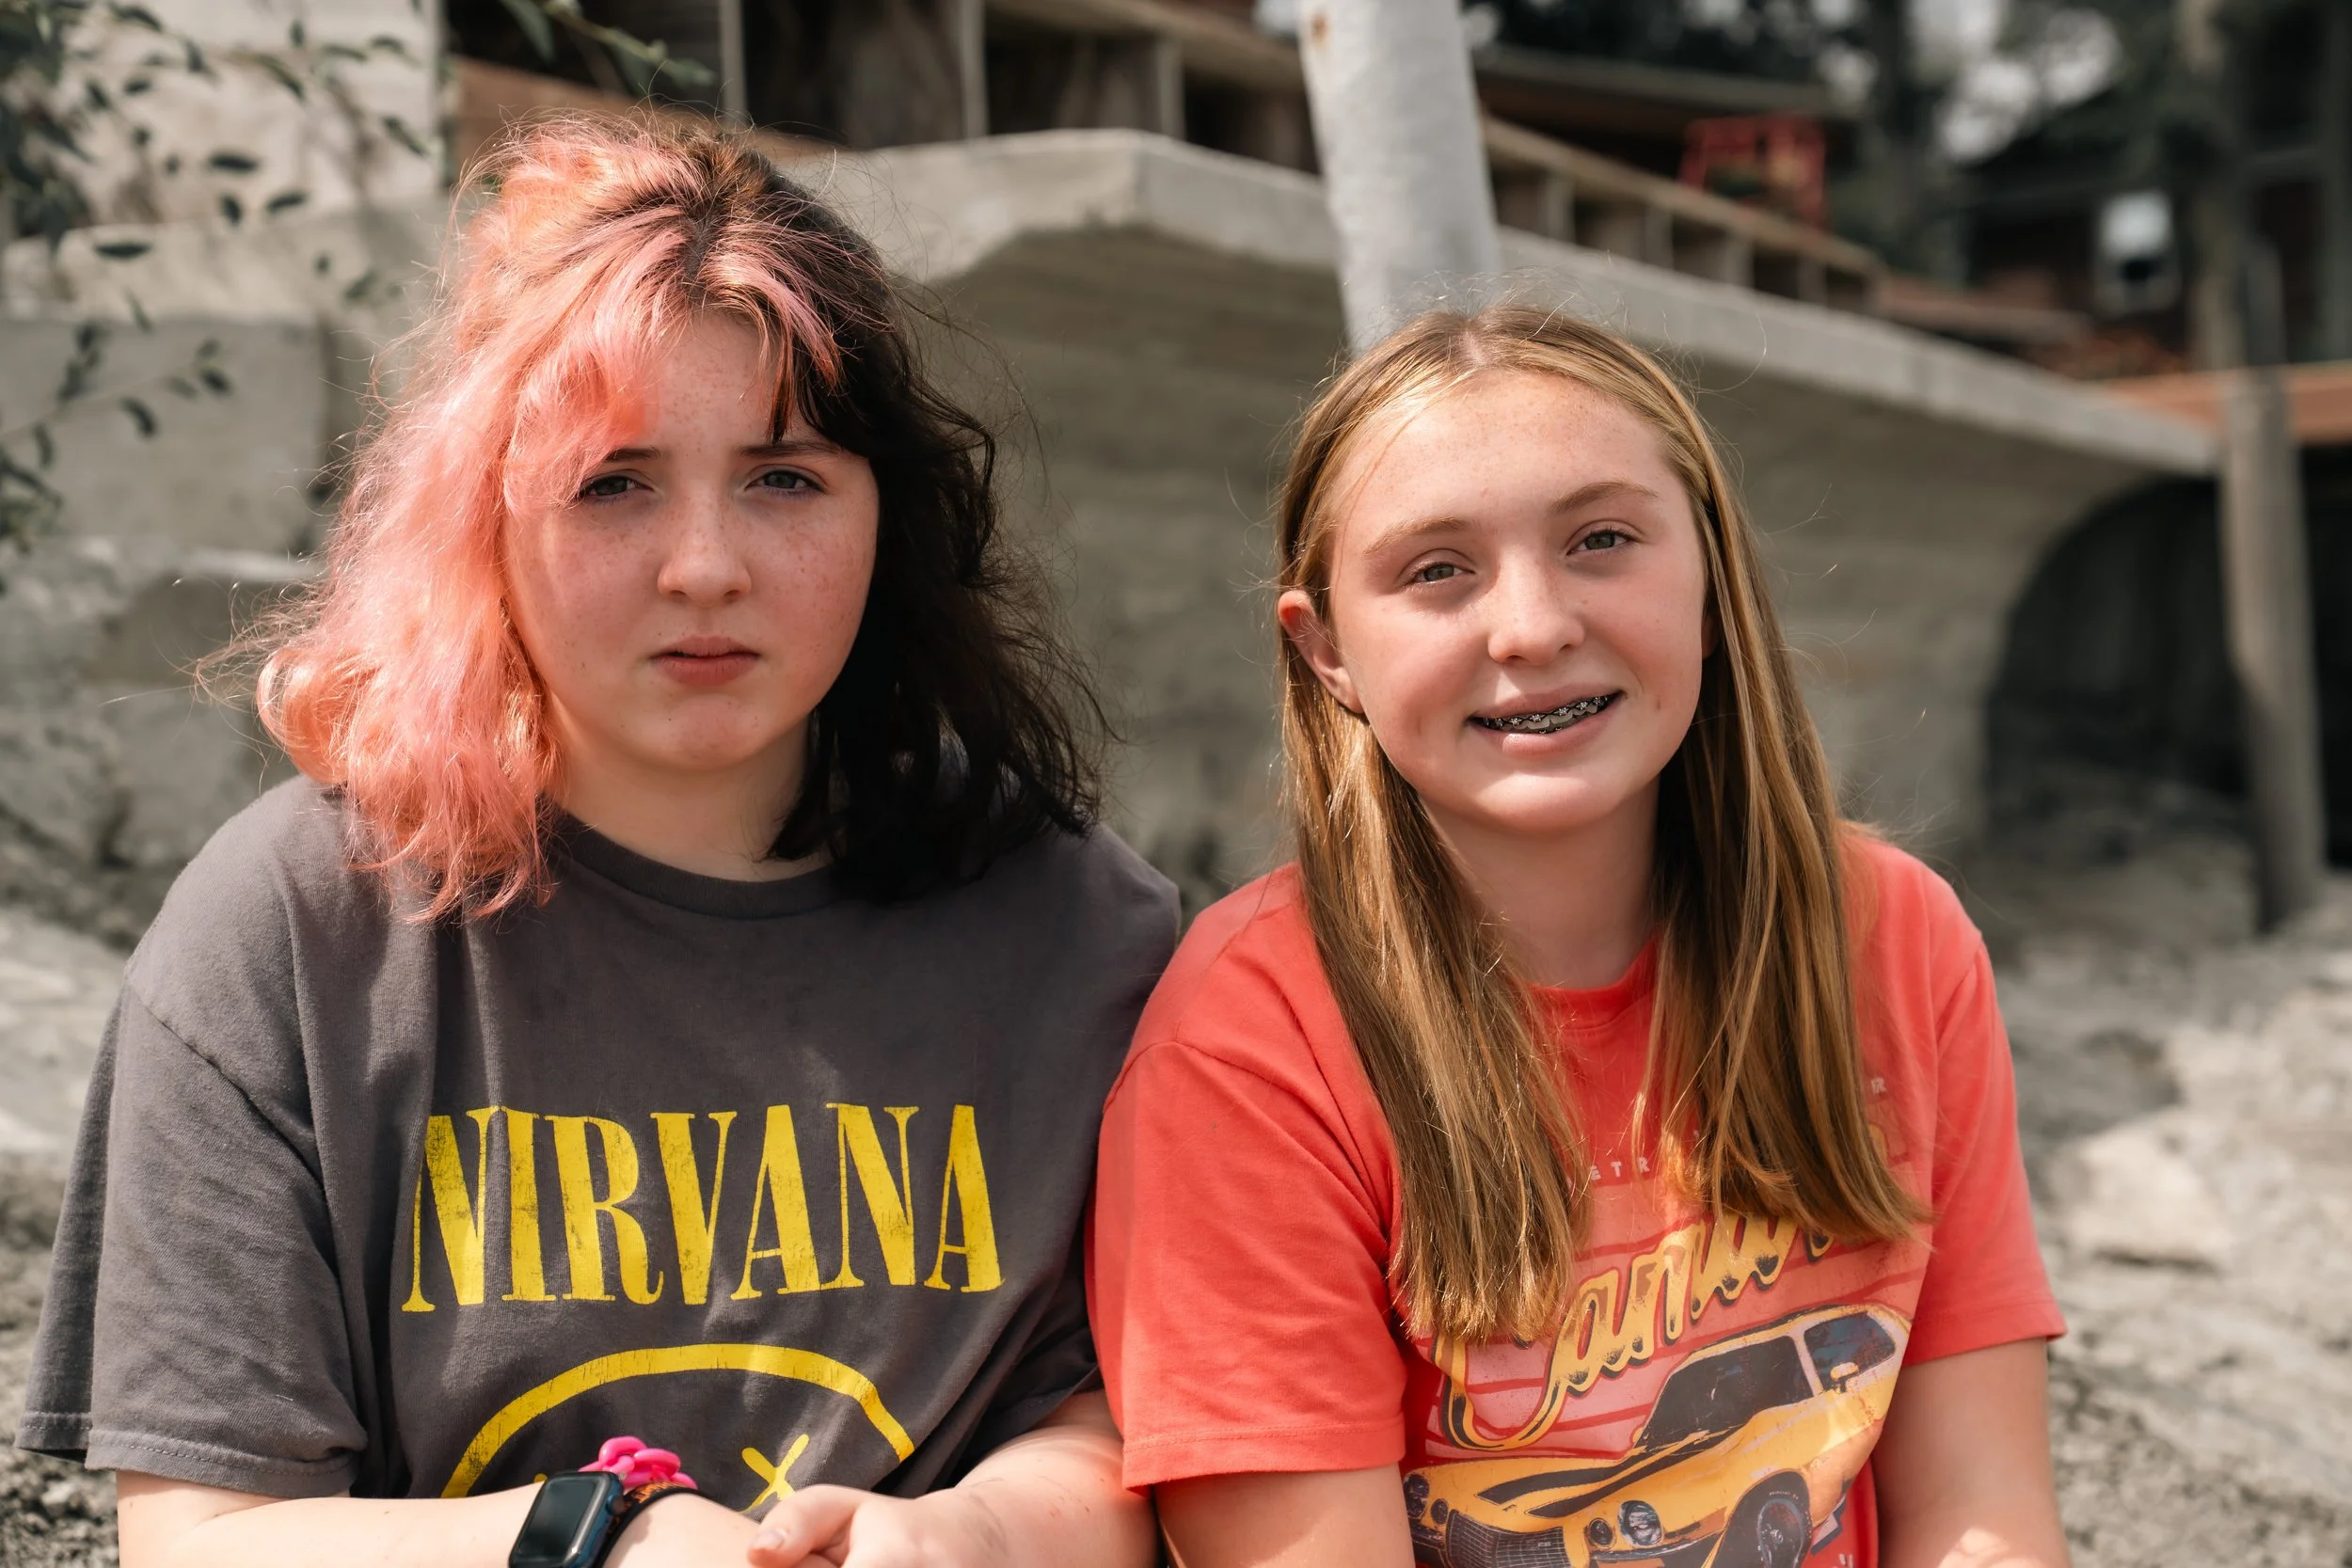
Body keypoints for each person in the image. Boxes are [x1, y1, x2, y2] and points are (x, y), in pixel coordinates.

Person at [17, 117, 1175, 1568]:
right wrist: (594, 1540)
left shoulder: (1088, 939)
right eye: (613, 482)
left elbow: (1136, 1424)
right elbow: (204, 1537)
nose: (705, 564)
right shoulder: (289, 936)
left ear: (894, 515)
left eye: (787, 476)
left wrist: (976, 1536)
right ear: (480, 515)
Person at [1089, 308, 2069, 1568]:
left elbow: (1981, 1519)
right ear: (1327, 648)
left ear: (1710, 582)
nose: (1534, 625)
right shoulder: (1248, 1043)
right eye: (1436, 569)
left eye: (1602, 539)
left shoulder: (1893, 939)